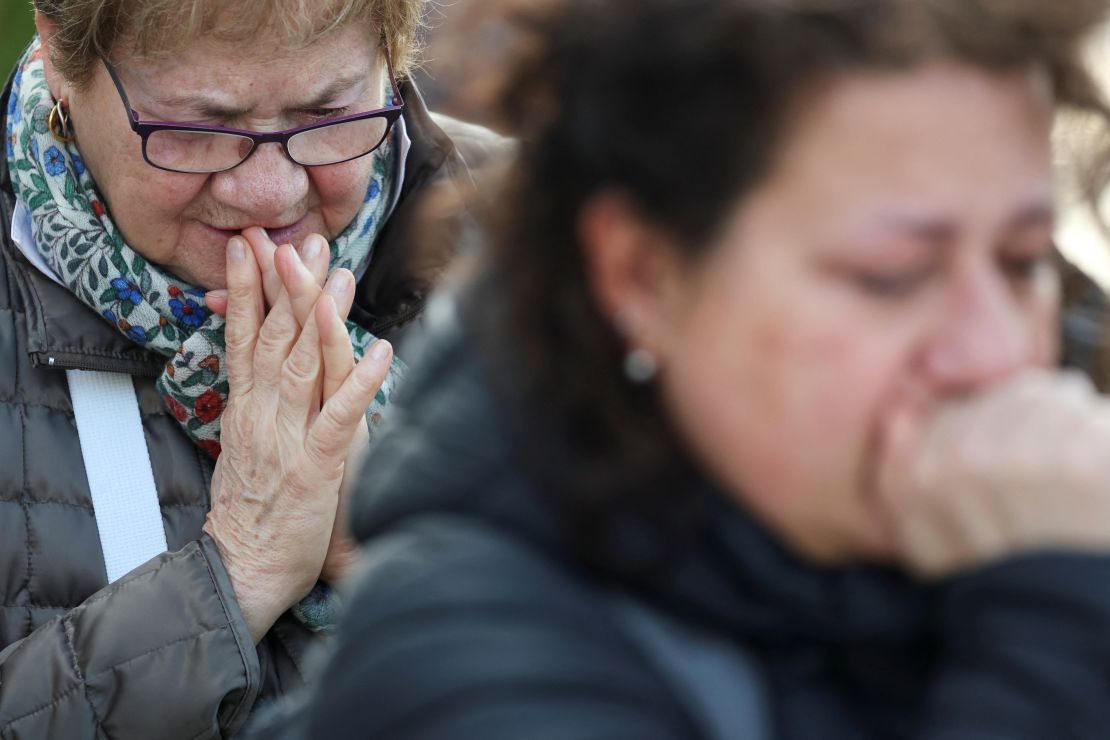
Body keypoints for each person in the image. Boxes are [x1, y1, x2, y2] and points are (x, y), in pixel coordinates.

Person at [273, 0, 1110, 738]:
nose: (995, 352)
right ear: (641, 274)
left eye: (1023, 259)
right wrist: (1051, 624)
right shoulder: (457, 664)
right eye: (889, 277)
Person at [0, 0, 507, 736]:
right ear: (62, 58)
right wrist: (234, 573)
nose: (271, 194)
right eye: (198, 129)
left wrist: (389, 561)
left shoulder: (553, 242)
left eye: (326, 114)